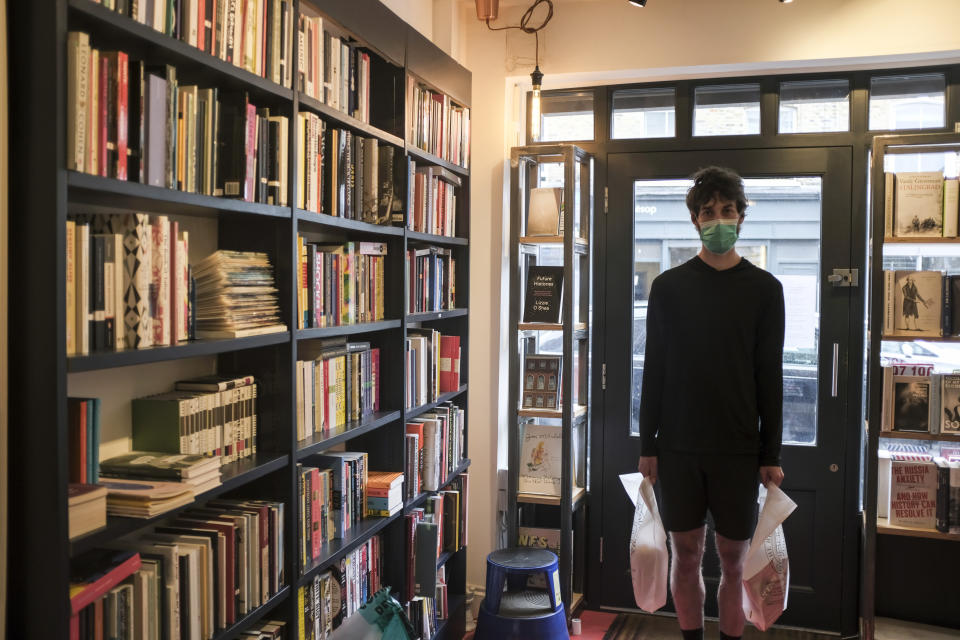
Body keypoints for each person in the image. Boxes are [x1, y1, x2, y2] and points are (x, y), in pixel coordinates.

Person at [636, 166, 785, 640]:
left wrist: (772, 453)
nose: (717, 219)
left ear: (741, 217)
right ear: (695, 220)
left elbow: (770, 376)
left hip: (739, 447)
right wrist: (648, 443)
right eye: (707, 212)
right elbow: (653, 370)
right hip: (678, 446)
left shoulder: (765, 290)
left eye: (726, 210)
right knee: (685, 556)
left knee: (734, 562)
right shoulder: (668, 288)